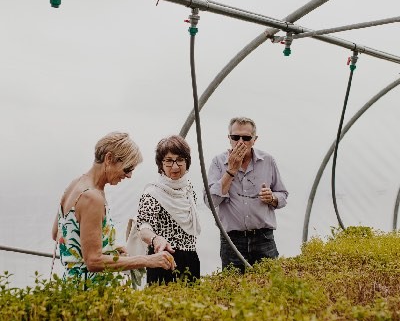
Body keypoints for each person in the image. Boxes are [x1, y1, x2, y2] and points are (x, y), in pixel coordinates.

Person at [51, 131, 175, 284]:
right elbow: (94, 261)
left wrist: (108, 248)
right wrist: (147, 260)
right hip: (91, 290)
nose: (129, 176)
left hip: (71, 283)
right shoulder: (92, 197)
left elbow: (58, 234)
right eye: (128, 168)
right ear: (109, 159)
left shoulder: (75, 185)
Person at [205, 117, 288, 273]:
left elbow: (283, 195)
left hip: (263, 238)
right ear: (229, 138)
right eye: (235, 137)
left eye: (246, 138)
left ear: (254, 140)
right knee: (232, 289)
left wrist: (272, 198)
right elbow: (210, 201)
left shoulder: (268, 160)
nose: (240, 142)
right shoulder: (218, 162)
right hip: (232, 240)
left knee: (269, 286)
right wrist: (230, 171)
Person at [136, 135, 201, 285]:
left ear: (187, 162)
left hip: (191, 258)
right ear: (161, 164)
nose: (175, 166)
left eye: (180, 160)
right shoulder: (152, 193)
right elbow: (143, 228)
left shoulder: (189, 190)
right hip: (163, 259)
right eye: (169, 161)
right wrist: (155, 239)